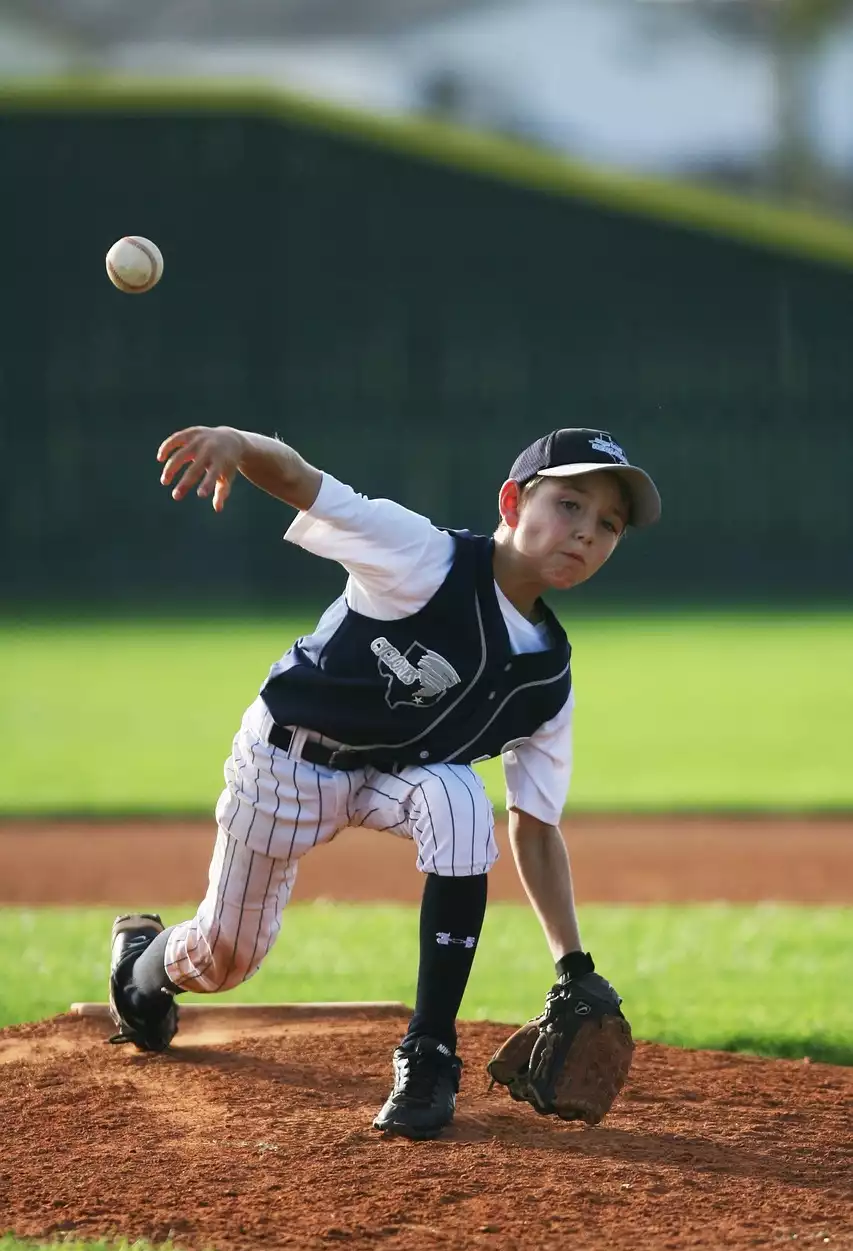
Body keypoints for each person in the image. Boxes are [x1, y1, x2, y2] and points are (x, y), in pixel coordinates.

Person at [108, 425, 661, 1140]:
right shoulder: (421, 556)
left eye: (608, 524)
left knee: (462, 800)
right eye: (569, 504)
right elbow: (307, 482)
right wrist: (235, 445)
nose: (585, 532)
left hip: (390, 776)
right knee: (224, 957)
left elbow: (535, 823)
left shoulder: (547, 678)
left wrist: (572, 962)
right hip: (288, 760)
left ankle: (428, 1054)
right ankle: (139, 970)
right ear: (512, 502)